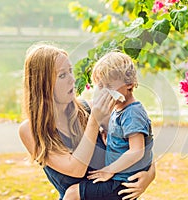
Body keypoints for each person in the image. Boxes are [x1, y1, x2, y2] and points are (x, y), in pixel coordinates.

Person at [19, 43, 155, 200]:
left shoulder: (87, 109)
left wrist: (150, 174)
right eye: (62, 75)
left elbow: (136, 144)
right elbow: (76, 169)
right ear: (43, 84)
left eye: (70, 71)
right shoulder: (31, 130)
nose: (72, 80)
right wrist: (94, 121)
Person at [63, 51, 154, 200]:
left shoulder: (133, 113)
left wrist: (109, 170)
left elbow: (137, 151)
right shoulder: (118, 109)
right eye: (101, 85)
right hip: (118, 176)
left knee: (72, 193)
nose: (104, 91)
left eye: (109, 86)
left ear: (129, 84)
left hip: (122, 181)